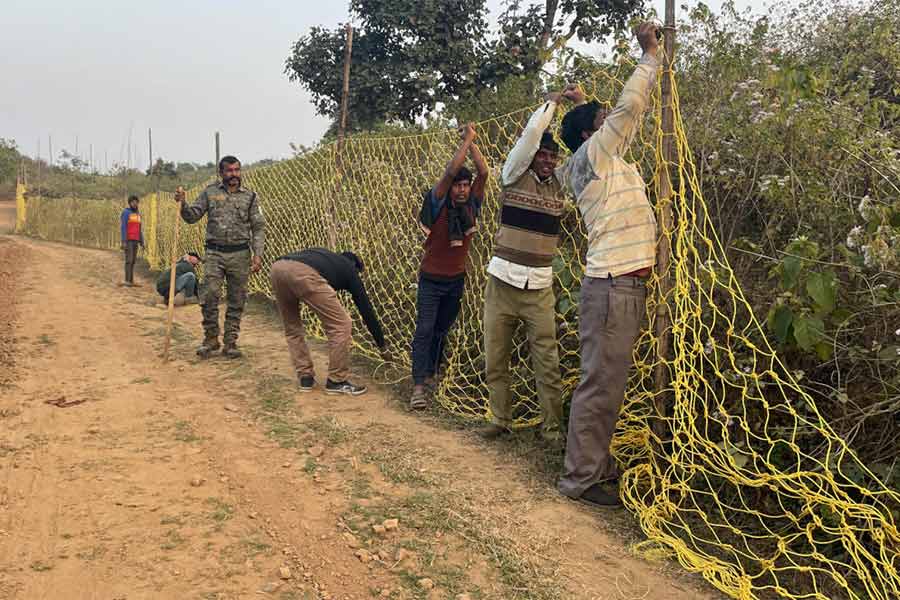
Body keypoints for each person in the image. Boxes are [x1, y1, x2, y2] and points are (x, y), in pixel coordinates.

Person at [556, 22, 661, 507]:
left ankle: (592, 464)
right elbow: (628, 110)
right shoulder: (594, 157)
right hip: (613, 288)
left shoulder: (592, 159)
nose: (610, 123)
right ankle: (581, 478)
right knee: (600, 384)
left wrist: (582, 101)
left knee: (605, 381)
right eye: (598, 118)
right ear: (588, 133)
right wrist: (650, 57)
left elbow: (613, 119)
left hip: (617, 287)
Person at [480, 94, 570, 445]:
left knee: (547, 362)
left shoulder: (562, 185)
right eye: (542, 155)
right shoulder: (513, 175)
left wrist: (583, 112)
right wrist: (551, 107)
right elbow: (531, 134)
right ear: (532, 157)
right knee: (496, 356)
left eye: (552, 156)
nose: (547, 161)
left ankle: (551, 429)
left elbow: (588, 159)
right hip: (502, 281)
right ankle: (499, 419)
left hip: (540, 287)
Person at [409, 123, 488, 410]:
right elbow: (449, 172)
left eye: (466, 185)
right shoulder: (437, 203)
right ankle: (418, 386)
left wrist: (474, 141)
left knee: (442, 330)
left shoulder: (472, 207)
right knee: (425, 330)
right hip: (431, 280)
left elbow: (484, 172)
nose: (463, 189)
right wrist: (466, 140)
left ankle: (432, 374)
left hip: (456, 280)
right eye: (459, 185)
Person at [175, 156, 266, 359]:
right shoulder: (210, 193)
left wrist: (258, 254)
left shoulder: (250, 197)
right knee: (208, 296)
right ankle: (210, 340)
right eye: (229, 171)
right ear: (221, 173)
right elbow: (192, 216)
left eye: (237, 170)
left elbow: (258, 227)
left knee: (237, 299)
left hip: (240, 254)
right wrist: (182, 204)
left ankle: (231, 343)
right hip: (214, 253)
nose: (234, 174)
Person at [269, 248, 386, 396]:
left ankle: (305, 377)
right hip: (303, 273)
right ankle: (337, 380)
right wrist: (382, 345)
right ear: (356, 266)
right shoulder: (350, 270)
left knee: (292, 327)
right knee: (341, 325)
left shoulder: (325, 258)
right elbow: (366, 310)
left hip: (278, 267)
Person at [120, 195, 144, 286]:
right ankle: (127, 280)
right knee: (129, 260)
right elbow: (123, 227)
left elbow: (139, 229)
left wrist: (142, 241)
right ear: (130, 203)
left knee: (133, 260)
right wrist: (123, 241)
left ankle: (131, 281)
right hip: (128, 240)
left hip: (135, 241)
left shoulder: (138, 214)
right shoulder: (126, 212)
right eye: (133, 202)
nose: (135, 204)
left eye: (136, 202)